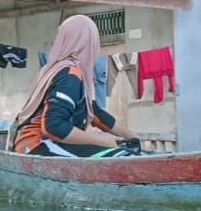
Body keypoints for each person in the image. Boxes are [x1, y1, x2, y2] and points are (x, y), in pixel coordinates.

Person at [11, 14, 137, 155]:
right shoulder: (69, 75)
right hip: (36, 144)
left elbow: (96, 114)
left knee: (124, 150)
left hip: (35, 143)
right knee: (121, 155)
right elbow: (54, 127)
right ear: (88, 45)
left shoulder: (56, 69)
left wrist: (133, 138)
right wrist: (104, 141)